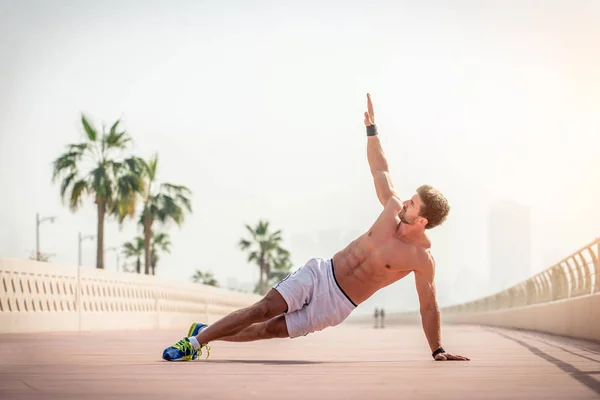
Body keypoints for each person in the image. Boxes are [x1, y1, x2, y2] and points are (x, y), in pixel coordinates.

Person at [162, 93, 470, 362]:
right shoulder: (391, 207)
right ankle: (193, 343)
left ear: (422, 221)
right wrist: (371, 129)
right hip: (321, 273)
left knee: (268, 331)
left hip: (337, 303)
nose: (405, 203)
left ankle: (204, 333)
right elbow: (380, 168)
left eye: (412, 205)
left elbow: (428, 306)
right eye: (410, 200)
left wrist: (437, 349)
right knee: (264, 308)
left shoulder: (421, 260)